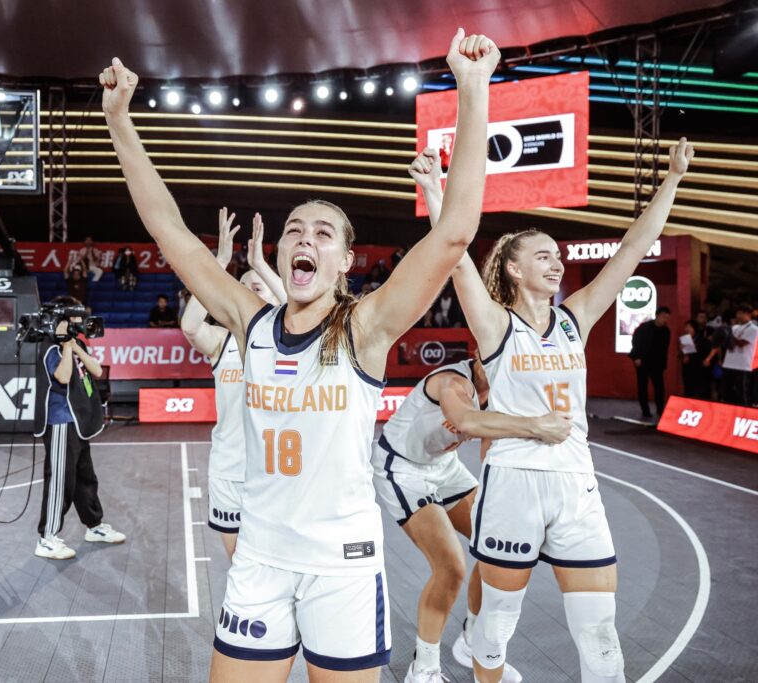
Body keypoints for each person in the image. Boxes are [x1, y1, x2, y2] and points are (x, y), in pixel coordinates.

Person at [99, 28, 496, 678]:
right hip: (260, 557)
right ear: (281, 254)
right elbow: (168, 229)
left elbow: (454, 234)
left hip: (342, 564)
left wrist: (473, 90)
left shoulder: (365, 327)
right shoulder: (250, 321)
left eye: (323, 232)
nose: (304, 237)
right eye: (293, 230)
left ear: (344, 262)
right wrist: (120, 121)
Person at [449, 138, 693, 683]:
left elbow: (633, 247)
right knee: (496, 625)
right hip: (513, 480)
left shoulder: (573, 318)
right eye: (543, 255)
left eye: (558, 255)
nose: (557, 262)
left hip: (576, 483)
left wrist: (672, 179)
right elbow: (455, 252)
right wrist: (434, 190)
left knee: (601, 635)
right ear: (513, 269)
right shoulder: (495, 324)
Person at [399, 149, 572, 682]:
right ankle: (424, 665)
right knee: (451, 567)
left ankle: (472, 637)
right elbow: (472, 425)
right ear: (479, 355)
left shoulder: (501, 387)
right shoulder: (454, 382)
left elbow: (491, 447)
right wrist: (536, 427)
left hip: (444, 469)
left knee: (492, 547)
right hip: (402, 469)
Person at [181, 208, 286, 559]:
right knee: (240, 566)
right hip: (229, 470)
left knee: (278, 564)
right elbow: (190, 326)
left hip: (277, 474)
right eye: (242, 288)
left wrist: (261, 266)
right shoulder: (221, 340)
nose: (248, 292)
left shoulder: (292, 340)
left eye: (258, 287)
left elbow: (300, 312)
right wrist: (219, 265)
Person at [33, 297, 125, 559]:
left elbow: (96, 371)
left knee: (85, 477)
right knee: (60, 481)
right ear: (62, 319)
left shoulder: (77, 343)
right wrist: (65, 347)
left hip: (78, 422)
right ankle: (47, 538)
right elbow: (62, 377)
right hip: (60, 421)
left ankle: (94, 526)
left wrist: (75, 346)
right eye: (75, 318)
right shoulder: (49, 346)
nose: (80, 322)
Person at [629, 305, 671, 420]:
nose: (665, 320)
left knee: (659, 387)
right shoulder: (644, 328)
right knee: (642, 386)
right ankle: (645, 410)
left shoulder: (666, 331)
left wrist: (663, 364)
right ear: (657, 316)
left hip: (657, 364)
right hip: (643, 362)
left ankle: (660, 409)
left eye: (667, 318)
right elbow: (636, 342)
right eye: (664, 317)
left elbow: (665, 348)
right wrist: (637, 357)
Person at [721, 303, 757, 406]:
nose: (738, 315)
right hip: (729, 363)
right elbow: (728, 343)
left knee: (742, 392)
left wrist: (729, 334)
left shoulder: (754, 329)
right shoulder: (735, 327)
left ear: (747, 314)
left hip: (742, 365)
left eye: (740, 313)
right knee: (726, 391)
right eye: (737, 313)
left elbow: (742, 344)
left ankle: (744, 412)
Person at [680, 319, 713, 399]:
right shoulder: (685, 339)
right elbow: (682, 354)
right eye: (686, 327)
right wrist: (682, 352)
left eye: (689, 327)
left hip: (699, 368)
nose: (687, 329)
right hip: (688, 368)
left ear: (695, 328)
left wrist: (707, 360)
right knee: (688, 390)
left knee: (699, 392)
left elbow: (708, 352)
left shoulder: (702, 340)